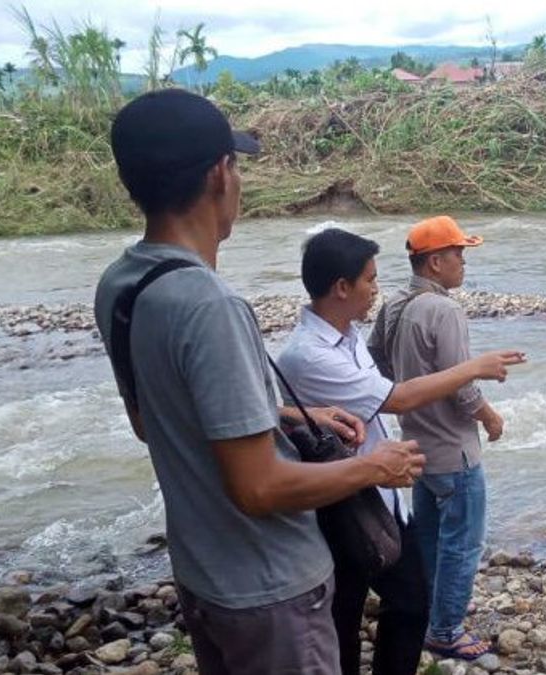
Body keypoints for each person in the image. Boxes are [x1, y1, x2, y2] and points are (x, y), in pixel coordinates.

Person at [93, 89, 424, 675]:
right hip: (270, 588)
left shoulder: (122, 285)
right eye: (237, 164)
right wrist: (379, 467)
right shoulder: (210, 304)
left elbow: (154, 423)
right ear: (220, 174)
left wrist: (296, 416)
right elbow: (260, 488)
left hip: (204, 573)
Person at [277, 228, 524, 674]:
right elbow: (399, 396)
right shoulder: (310, 354)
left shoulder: (364, 324)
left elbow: (383, 378)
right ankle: (439, 634)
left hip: (389, 480)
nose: (377, 288)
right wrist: (477, 374)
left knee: (407, 596)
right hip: (347, 498)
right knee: (351, 611)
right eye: (369, 279)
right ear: (341, 287)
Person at [367, 216, 509, 660]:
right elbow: (463, 387)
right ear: (433, 263)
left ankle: (424, 613)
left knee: (429, 537)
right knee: (463, 543)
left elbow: (376, 366)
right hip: (454, 450)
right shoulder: (444, 310)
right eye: (457, 254)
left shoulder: (394, 304)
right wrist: (490, 418)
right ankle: (445, 629)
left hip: (417, 446)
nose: (463, 262)